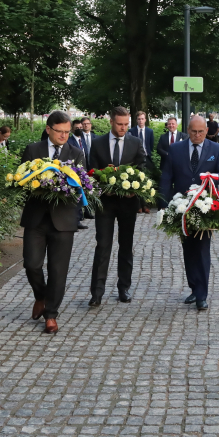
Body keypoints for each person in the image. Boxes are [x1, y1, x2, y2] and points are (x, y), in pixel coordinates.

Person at [20, 111, 85, 334]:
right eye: (60, 131)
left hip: (63, 220)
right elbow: (22, 181)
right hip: (36, 219)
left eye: (68, 132)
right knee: (31, 264)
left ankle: (51, 315)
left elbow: (80, 186)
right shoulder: (32, 150)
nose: (64, 136)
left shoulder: (76, 153)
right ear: (49, 129)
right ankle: (40, 296)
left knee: (58, 271)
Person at [159, 116, 219, 308]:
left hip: (205, 206)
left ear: (206, 131)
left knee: (202, 249)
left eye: (200, 132)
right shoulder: (175, 149)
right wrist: (163, 205)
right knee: (188, 249)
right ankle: (193, 288)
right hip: (181, 206)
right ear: (187, 131)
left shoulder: (215, 149)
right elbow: (166, 177)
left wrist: (210, 177)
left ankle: (201, 295)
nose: (197, 135)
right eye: (193, 131)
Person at [88, 107, 147, 307]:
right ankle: (96, 292)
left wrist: (135, 188)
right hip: (105, 203)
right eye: (120, 124)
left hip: (128, 202)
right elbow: (91, 171)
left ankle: (124, 288)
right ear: (111, 122)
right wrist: (103, 185)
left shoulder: (135, 142)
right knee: (103, 245)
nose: (123, 128)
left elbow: (143, 167)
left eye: (126, 125)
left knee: (126, 246)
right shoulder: (97, 144)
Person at [67, 127, 91, 230]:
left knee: (79, 197)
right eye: (77, 127)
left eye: (81, 127)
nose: (79, 129)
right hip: (70, 173)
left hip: (82, 170)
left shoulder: (83, 140)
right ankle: (73, 221)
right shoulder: (69, 141)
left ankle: (78, 219)